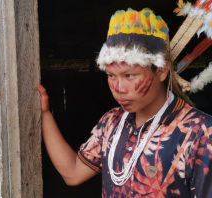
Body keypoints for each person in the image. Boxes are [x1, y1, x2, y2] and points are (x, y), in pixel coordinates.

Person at [37, 7, 212, 198]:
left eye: (129, 75)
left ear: (161, 70)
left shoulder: (199, 133)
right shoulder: (112, 122)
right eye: (111, 75)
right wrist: (45, 113)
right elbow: (73, 173)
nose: (118, 87)